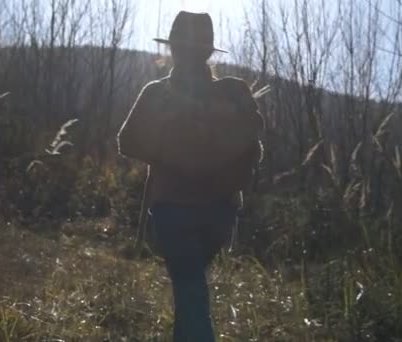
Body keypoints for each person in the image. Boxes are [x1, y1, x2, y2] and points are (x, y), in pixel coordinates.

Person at [117, 11, 263, 342]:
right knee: (191, 289)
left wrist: (167, 150)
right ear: (209, 52)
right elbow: (253, 141)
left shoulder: (157, 92)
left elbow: (126, 142)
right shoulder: (234, 92)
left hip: (176, 207)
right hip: (219, 211)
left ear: (172, 49)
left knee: (190, 290)